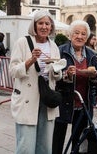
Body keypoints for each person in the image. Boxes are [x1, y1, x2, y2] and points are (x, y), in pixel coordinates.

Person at [9, 10, 62, 154]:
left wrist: (58, 70)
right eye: (40, 23)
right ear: (34, 25)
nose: (44, 27)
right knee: (26, 147)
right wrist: (31, 60)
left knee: (45, 147)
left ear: (51, 26)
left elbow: (56, 76)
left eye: (47, 23)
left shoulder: (54, 46)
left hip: (47, 99)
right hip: (27, 98)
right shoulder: (22, 42)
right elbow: (13, 71)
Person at [52, 20, 97, 154]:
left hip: (84, 104)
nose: (79, 36)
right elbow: (53, 76)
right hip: (63, 102)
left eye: (83, 34)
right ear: (70, 35)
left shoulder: (91, 55)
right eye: (76, 33)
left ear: (86, 38)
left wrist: (94, 75)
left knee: (79, 141)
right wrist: (67, 75)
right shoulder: (60, 51)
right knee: (57, 138)